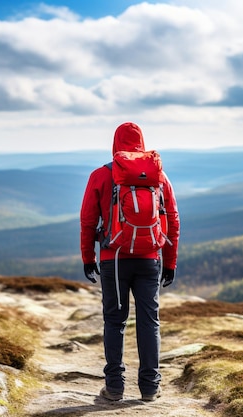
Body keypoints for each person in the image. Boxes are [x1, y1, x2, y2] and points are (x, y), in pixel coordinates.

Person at [80, 122, 180, 402]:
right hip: (150, 259)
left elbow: (88, 220)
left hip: (114, 259)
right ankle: (150, 388)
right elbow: (172, 219)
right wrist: (170, 262)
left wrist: (88, 257)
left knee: (115, 321)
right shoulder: (158, 176)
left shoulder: (101, 175)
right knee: (150, 322)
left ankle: (114, 388)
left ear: (114, 144)